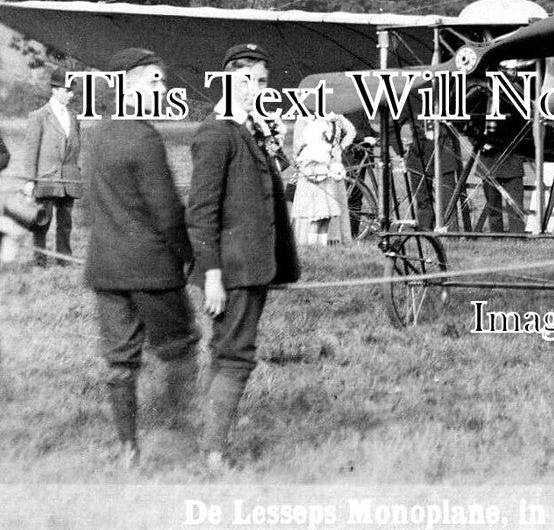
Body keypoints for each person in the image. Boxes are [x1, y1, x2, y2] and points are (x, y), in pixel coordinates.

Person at [187, 43, 300, 470]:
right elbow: (201, 211)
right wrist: (212, 273)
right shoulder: (217, 132)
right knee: (235, 355)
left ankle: (205, 443)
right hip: (233, 268)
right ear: (233, 81)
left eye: (264, 82)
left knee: (227, 351)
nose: (261, 90)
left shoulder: (248, 129)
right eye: (255, 81)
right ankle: (213, 454)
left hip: (251, 264)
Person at [84, 48, 198, 469]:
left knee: (119, 361)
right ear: (128, 84)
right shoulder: (144, 136)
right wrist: (189, 255)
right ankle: (177, 434)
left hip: (106, 268)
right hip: (152, 269)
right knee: (181, 348)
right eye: (154, 80)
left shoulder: (96, 134)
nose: (163, 87)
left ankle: (128, 449)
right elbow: (167, 211)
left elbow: (90, 202)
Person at [17, 66, 80, 266]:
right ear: (55, 89)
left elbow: (76, 146)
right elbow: (30, 150)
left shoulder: (74, 117)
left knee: (66, 223)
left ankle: (64, 260)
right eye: (67, 90)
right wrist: (30, 180)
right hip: (46, 179)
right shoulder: (39, 116)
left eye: (72, 90)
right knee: (42, 222)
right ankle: (40, 261)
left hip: (68, 179)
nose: (71, 94)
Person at [291, 112, 356, 245]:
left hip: (331, 166)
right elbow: (298, 146)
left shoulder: (335, 116)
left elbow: (351, 131)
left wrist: (339, 148)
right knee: (316, 212)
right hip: (314, 168)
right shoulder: (306, 118)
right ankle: (310, 244)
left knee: (328, 211)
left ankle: (327, 242)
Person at [475, 147, 525, 233]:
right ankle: (496, 236)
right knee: (493, 206)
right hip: (488, 163)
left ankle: (518, 238)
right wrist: (480, 143)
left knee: (516, 206)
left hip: (513, 164)